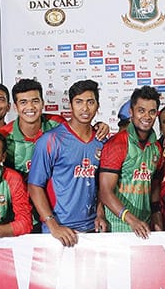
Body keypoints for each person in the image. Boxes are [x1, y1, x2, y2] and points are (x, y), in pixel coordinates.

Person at [27, 80, 107, 247]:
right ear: (70, 105)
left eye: (90, 102)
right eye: (79, 102)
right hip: (58, 232)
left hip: (92, 230)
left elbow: (102, 185)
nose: (85, 108)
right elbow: (35, 186)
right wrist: (53, 225)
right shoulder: (51, 140)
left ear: (98, 106)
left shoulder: (102, 141)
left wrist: (100, 213)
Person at [0, 78, 110, 182]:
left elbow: (78, 129)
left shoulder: (57, 123)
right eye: (23, 102)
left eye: (35, 101)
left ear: (43, 103)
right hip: (19, 196)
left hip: (54, 196)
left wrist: (98, 126)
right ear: (15, 107)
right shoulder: (4, 136)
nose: (30, 107)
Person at [98, 85, 162, 239]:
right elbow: (105, 192)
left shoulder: (157, 148)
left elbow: (153, 189)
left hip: (144, 228)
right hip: (118, 229)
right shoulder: (117, 144)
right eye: (141, 111)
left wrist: (158, 224)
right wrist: (132, 221)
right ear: (131, 112)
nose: (147, 116)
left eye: (152, 112)